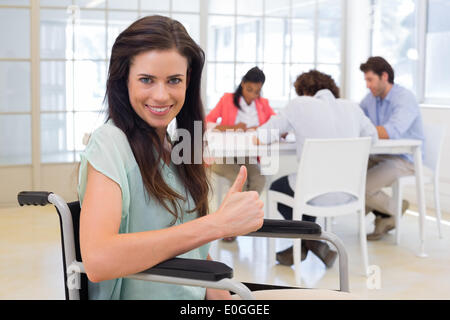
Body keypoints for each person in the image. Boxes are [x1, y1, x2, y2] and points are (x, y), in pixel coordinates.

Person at [77, 15, 264, 300]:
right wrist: (217, 224)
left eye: (174, 80)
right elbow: (99, 260)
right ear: (123, 80)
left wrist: (224, 299)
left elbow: (192, 248)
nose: (161, 95)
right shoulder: (110, 142)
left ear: (188, 82)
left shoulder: (177, 145)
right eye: (146, 80)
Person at [254, 70, 378, 267]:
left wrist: (286, 130)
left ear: (304, 91)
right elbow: (373, 138)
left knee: (279, 187)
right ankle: (310, 244)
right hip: (349, 193)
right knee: (301, 187)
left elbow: (262, 136)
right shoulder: (352, 108)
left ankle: (311, 241)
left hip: (314, 194)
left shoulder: (300, 105)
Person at [359, 56, 425, 241]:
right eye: (366, 80)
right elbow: (357, 119)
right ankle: (385, 215)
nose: (367, 85)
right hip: (381, 155)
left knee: (362, 189)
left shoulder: (404, 98)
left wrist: (361, 127)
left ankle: (394, 208)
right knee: (348, 176)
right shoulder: (370, 99)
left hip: (405, 159)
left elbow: (390, 132)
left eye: (370, 79)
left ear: (384, 76)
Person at [206, 67, 275, 241]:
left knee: (259, 178)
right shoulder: (227, 99)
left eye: (257, 91)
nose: (253, 95)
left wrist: (260, 130)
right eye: (249, 89)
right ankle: (231, 227)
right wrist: (235, 127)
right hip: (222, 156)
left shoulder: (263, 104)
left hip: (246, 155)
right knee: (241, 181)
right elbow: (207, 123)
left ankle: (239, 221)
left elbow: (275, 124)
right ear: (243, 84)